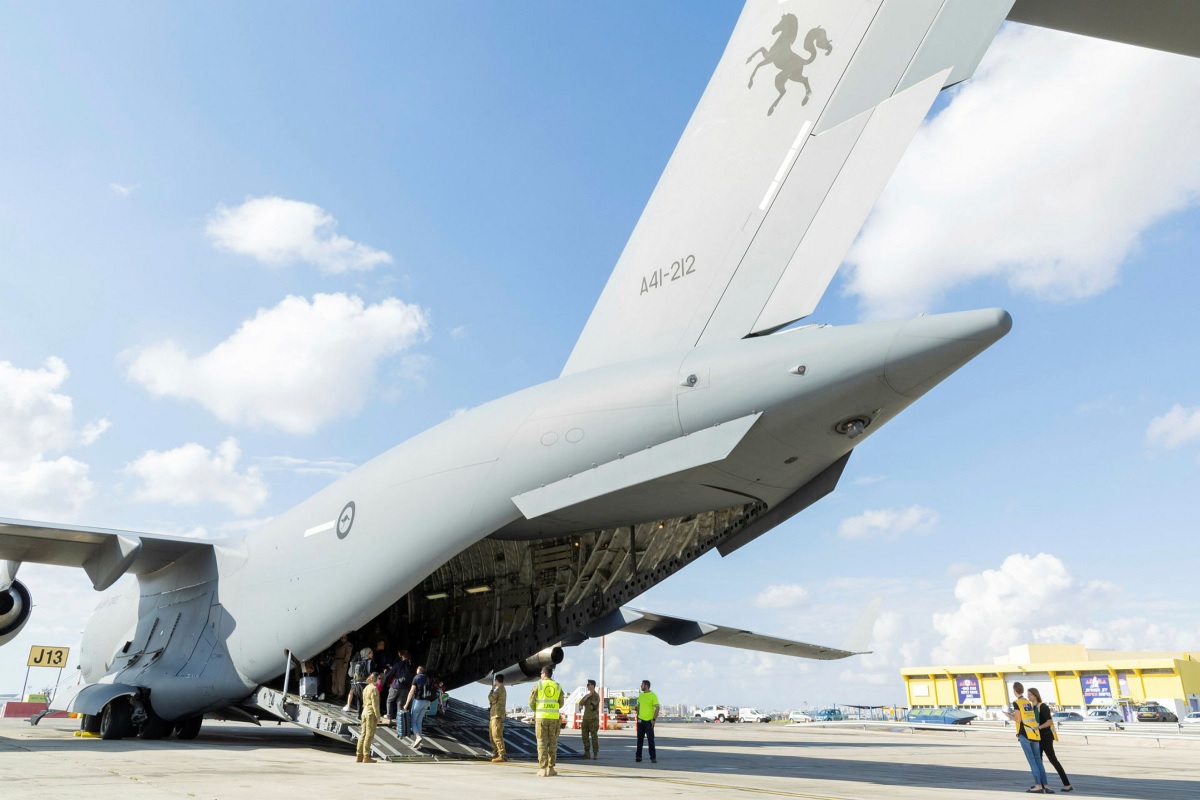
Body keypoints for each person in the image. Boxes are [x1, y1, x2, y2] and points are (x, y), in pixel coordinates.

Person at [1006, 682, 1050, 793]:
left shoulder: (1016, 703)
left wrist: (1010, 716)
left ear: (1015, 691)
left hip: (1024, 734)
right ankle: (1045, 784)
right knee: (1038, 761)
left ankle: (1038, 785)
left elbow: (1018, 719)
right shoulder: (1028, 703)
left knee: (1032, 761)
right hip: (1034, 733)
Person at [1029, 688, 1072, 792]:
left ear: (1035, 695)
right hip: (1037, 737)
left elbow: (1049, 721)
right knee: (1038, 761)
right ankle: (1040, 784)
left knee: (1053, 760)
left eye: (1030, 695)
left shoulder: (1043, 707)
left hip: (1046, 737)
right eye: (1028, 694)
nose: (1028, 696)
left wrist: (1039, 727)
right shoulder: (1032, 707)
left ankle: (1067, 784)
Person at [528, 665, 563, 777]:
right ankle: (551, 768)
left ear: (543, 674)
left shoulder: (539, 684)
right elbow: (561, 702)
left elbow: (531, 701)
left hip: (541, 717)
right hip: (554, 718)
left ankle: (543, 768)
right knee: (553, 743)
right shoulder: (557, 686)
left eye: (541, 674)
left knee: (542, 743)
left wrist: (537, 710)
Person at [381, 649, 414, 727]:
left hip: (396, 686)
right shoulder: (412, 665)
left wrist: (386, 671)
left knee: (389, 701)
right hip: (406, 688)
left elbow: (389, 674)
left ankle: (389, 719)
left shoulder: (399, 664)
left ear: (402, 656)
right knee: (400, 704)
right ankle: (400, 722)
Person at [403, 665, 433, 749]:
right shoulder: (428, 678)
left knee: (413, 721)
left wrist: (406, 704)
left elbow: (411, 691)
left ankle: (417, 737)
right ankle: (418, 741)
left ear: (419, 671)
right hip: (426, 702)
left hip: (418, 701)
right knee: (419, 721)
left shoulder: (416, 678)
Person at [356, 671, 381, 763]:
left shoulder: (366, 688)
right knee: (369, 735)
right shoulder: (374, 689)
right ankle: (366, 756)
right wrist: (378, 716)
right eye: (379, 678)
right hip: (371, 713)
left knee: (363, 734)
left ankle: (359, 755)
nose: (380, 680)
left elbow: (364, 701)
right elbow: (375, 704)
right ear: (375, 679)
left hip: (364, 712)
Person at [342, 647, 375, 713]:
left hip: (361, 680)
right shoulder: (363, 661)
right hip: (360, 680)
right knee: (354, 692)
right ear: (367, 654)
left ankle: (350, 706)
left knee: (355, 693)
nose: (372, 654)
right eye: (371, 653)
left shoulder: (369, 661)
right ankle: (349, 705)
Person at [635, 679, 659, 764]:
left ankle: (653, 757)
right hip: (641, 721)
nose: (641, 686)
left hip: (649, 721)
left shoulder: (653, 695)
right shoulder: (640, 695)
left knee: (650, 740)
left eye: (642, 685)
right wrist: (637, 717)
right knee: (639, 739)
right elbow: (639, 706)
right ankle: (638, 756)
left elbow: (657, 708)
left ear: (646, 686)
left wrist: (654, 719)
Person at [488, 674, 507, 763]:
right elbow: (492, 700)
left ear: (496, 681)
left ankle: (502, 755)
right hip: (494, 715)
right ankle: (496, 753)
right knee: (492, 736)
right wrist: (493, 701)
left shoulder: (499, 689)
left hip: (497, 715)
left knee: (497, 736)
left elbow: (491, 698)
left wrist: (492, 690)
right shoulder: (500, 689)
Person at [579, 679, 600, 759]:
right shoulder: (587, 696)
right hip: (586, 719)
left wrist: (590, 696)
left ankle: (595, 753)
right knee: (584, 736)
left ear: (593, 686)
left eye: (589, 684)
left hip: (593, 719)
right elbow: (580, 703)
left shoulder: (596, 696)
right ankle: (586, 752)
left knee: (594, 737)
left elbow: (594, 705)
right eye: (587, 684)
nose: (588, 686)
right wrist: (587, 696)